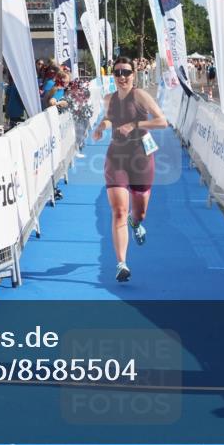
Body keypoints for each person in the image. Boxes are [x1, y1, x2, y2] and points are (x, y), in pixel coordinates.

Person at [92, 55, 168, 283]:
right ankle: (121, 263)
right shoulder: (109, 99)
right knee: (118, 211)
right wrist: (101, 127)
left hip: (141, 158)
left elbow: (162, 121)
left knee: (140, 211)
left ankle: (136, 224)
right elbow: (108, 119)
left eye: (126, 72)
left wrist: (135, 125)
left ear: (134, 75)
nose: (122, 76)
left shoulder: (141, 96)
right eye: (117, 72)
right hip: (116, 158)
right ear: (113, 76)